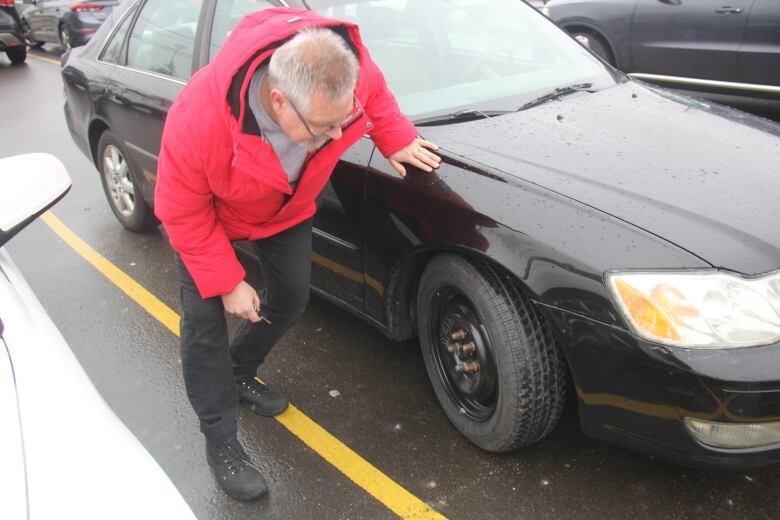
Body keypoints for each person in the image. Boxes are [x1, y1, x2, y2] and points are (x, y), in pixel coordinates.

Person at [154, 7, 441, 502]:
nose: (336, 137)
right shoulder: (198, 119)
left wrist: (393, 135)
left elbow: (376, 95)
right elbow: (180, 210)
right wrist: (226, 281)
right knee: (203, 327)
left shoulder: (346, 73)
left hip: (284, 210)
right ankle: (220, 440)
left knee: (290, 298)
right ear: (279, 99)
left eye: (343, 122)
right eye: (324, 128)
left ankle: (240, 369)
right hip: (211, 221)